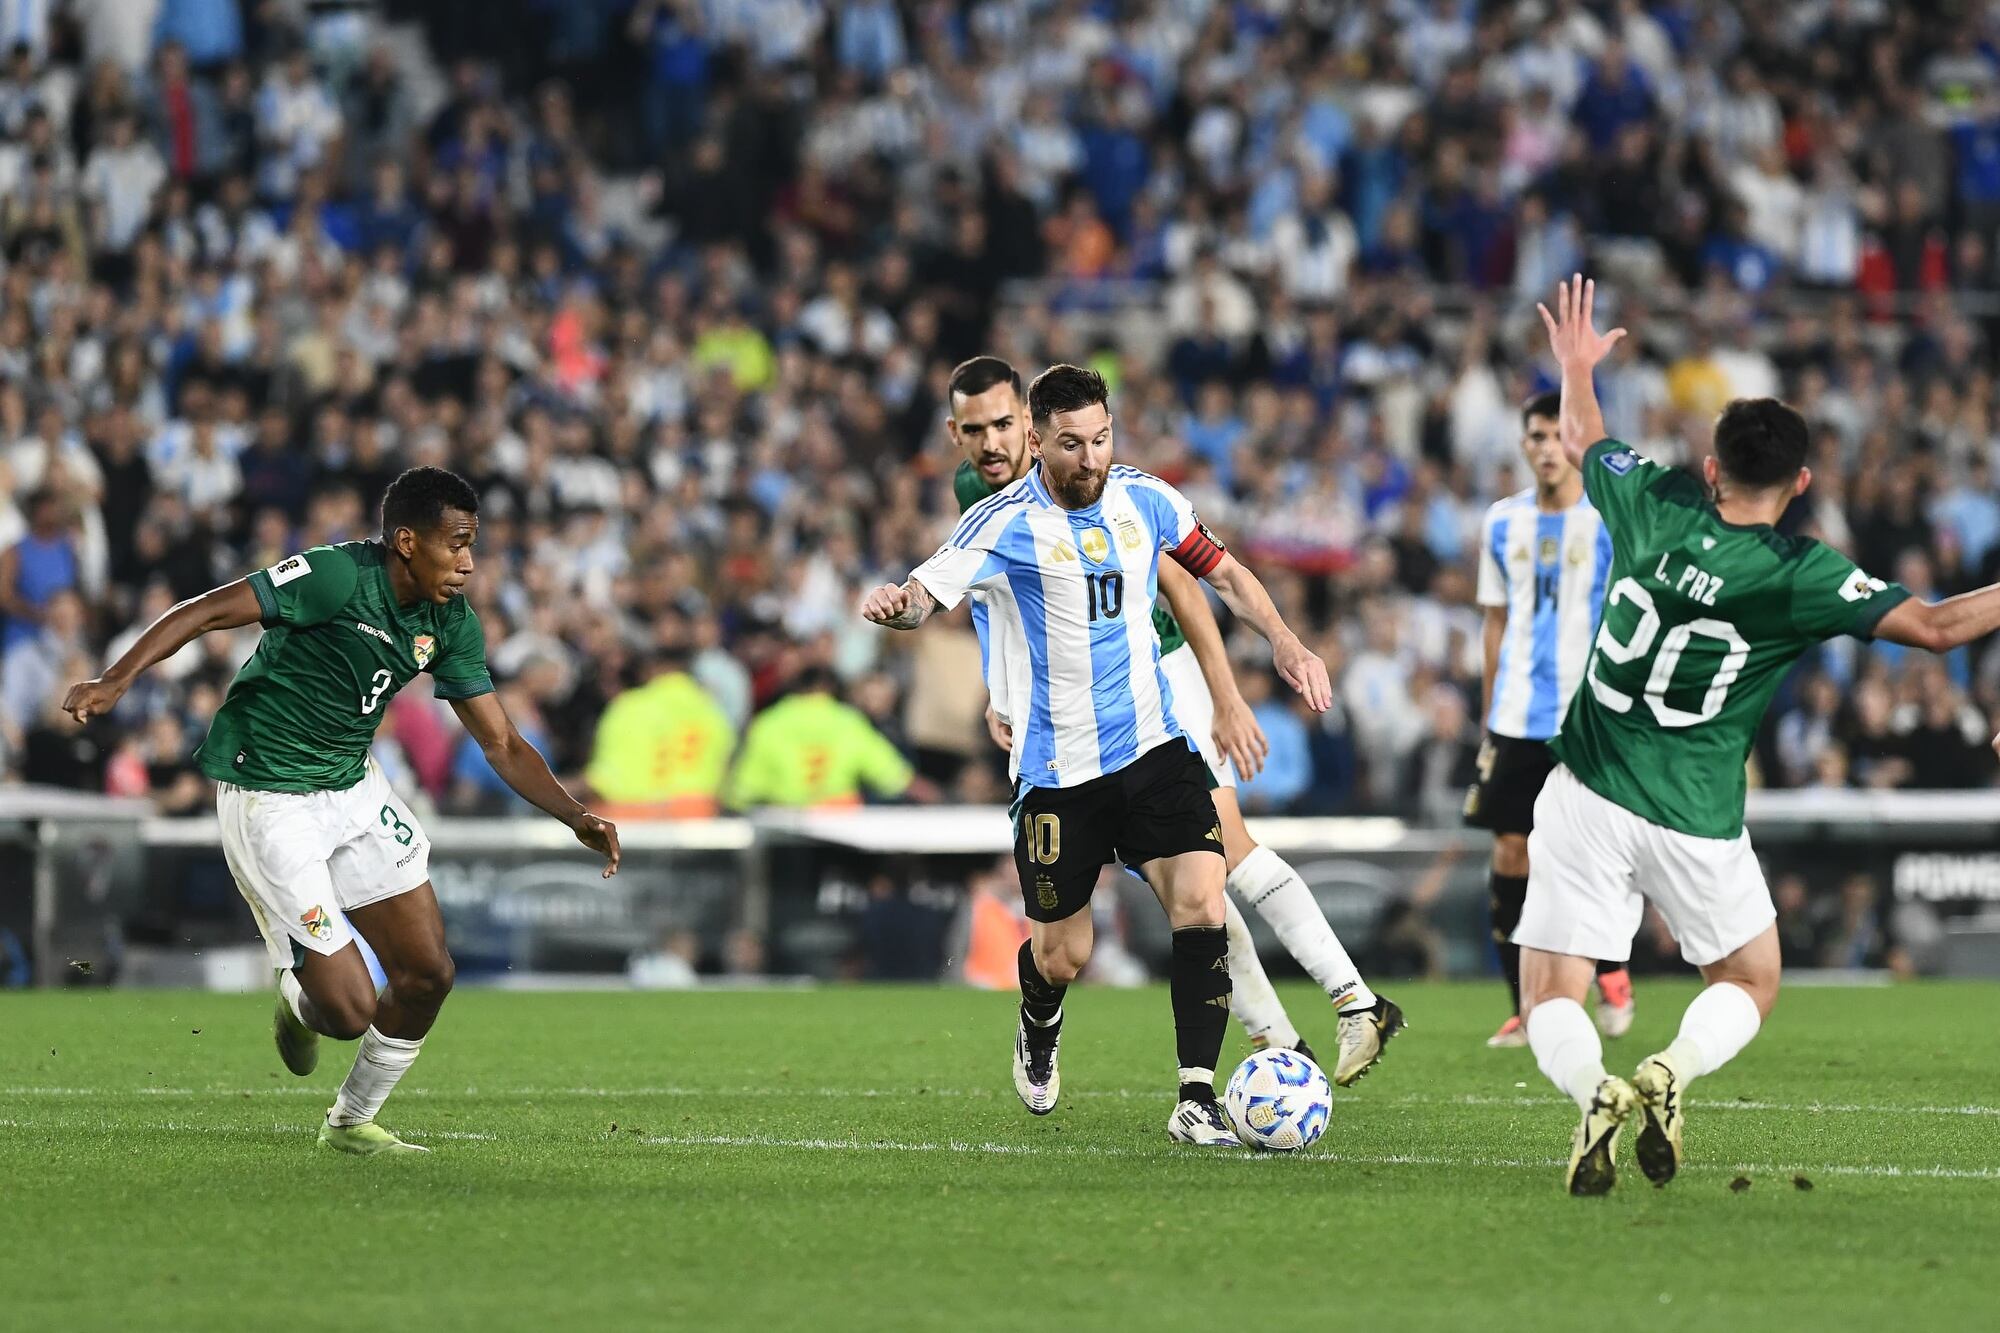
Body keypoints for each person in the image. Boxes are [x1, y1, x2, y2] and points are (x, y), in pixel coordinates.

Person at [1523, 276, 2000, 1195]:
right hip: (1695, 810)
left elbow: (1583, 439)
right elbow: (1937, 627)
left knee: (1552, 991)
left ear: (1712, 466)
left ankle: (1593, 1092)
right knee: (1748, 976)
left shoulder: (1653, 502)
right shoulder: (1800, 573)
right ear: (1803, 484)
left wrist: (1579, 367)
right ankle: (1671, 1070)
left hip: (1585, 786)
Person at [61, 467, 619, 1156]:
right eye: (457, 543)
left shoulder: (450, 620)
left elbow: (501, 741)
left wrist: (574, 814)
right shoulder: (334, 577)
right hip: (270, 796)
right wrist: (116, 678)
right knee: (350, 1010)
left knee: (427, 972)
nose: (469, 562)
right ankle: (300, 999)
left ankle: (351, 1121)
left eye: (473, 544)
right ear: (408, 541)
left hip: (353, 789)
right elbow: (208, 608)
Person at [863, 363, 1334, 1147]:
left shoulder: (1146, 497)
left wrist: (1285, 641)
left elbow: (1223, 574)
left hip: (1154, 747)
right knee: (1065, 952)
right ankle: (1038, 1022)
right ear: (1039, 441)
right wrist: (897, 607)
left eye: (1102, 438)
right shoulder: (1001, 519)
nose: (1091, 457)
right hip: (1060, 772)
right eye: (1073, 444)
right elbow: (927, 594)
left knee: (1202, 903)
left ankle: (1195, 1096)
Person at [942, 355, 1400, 1083]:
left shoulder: (1096, 481)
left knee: (1223, 854)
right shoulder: (985, 498)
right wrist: (1004, 693)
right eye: (978, 430)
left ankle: (1349, 1003)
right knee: (1173, 892)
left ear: (1030, 429)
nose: (993, 443)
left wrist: (1223, 694)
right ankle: (1287, 1038)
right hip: (1062, 716)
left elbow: (1185, 582)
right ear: (957, 434)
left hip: (1157, 675)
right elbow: (994, 602)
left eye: (1004, 426)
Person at [1466, 392, 1635, 1049]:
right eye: (1534, 436)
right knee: (1510, 852)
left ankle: (1613, 969)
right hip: (1516, 714)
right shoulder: (1502, 523)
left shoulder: (1606, 523)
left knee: (1594, 853)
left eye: (1555, 436)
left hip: (1587, 714)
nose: (1544, 447)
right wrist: (1489, 710)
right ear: (1523, 445)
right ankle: (1524, 1008)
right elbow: (1495, 621)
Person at [723, 665, 929, 809]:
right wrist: (934, 796)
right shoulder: (848, 721)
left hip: (788, 822)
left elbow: (744, 788)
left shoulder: (769, 723)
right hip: (840, 824)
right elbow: (890, 774)